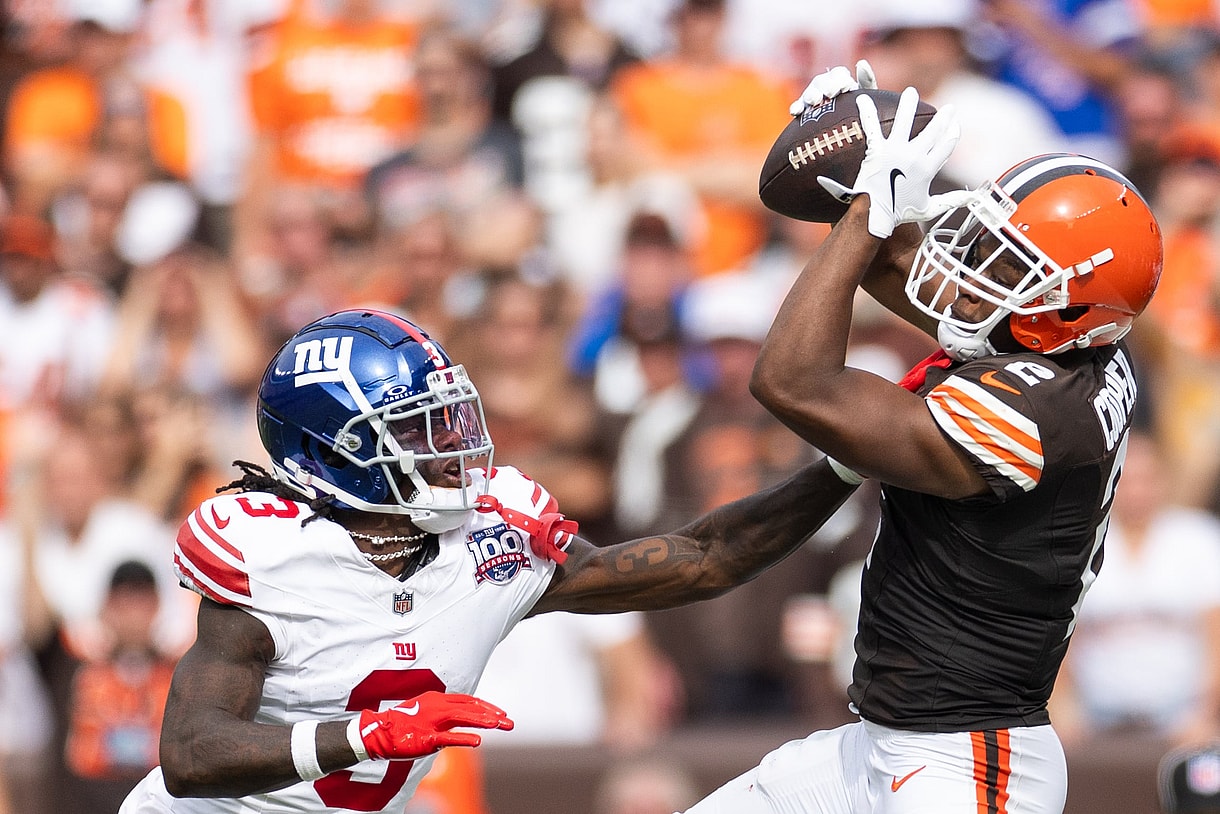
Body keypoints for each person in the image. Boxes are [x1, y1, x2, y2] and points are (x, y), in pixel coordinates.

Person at [117, 307, 860, 813]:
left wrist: (849, 466)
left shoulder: (487, 540)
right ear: (333, 455)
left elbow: (705, 559)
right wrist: (367, 736)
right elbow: (190, 751)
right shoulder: (272, 555)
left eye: (447, 419)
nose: (450, 449)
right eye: (413, 430)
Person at [685, 63, 1163, 812]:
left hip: (969, 761)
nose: (975, 269)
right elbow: (914, 270)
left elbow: (792, 381)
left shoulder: (1037, 416)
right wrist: (855, 161)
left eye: (1011, 265)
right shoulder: (1073, 346)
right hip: (882, 742)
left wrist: (869, 211)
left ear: (1072, 310)